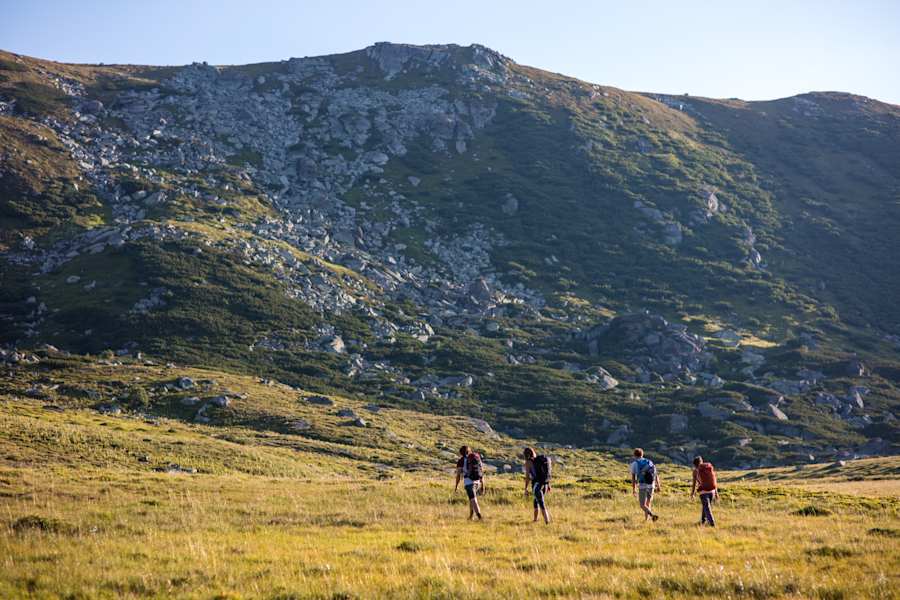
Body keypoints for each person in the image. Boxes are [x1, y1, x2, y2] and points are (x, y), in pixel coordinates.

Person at [629, 448, 660, 521]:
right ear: (642, 454)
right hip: (651, 485)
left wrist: (634, 489)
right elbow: (656, 475)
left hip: (643, 485)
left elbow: (633, 478)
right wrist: (658, 485)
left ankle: (652, 515)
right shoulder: (650, 462)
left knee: (642, 505)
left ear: (634, 455)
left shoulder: (634, 464)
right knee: (648, 503)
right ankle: (646, 520)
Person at [454, 445, 484, 520]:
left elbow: (458, 475)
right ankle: (471, 516)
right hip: (477, 482)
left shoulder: (461, 461)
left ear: (461, 453)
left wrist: (456, 486)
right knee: (471, 499)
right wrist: (483, 485)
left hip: (469, 482)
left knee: (473, 500)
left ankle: (480, 517)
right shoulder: (476, 458)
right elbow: (481, 471)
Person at [522, 447, 551, 524]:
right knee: (536, 502)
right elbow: (545, 473)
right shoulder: (538, 460)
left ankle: (547, 522)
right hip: (544, 484)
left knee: (541, 504)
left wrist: (525, 489)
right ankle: (535, 520)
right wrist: (548, 484)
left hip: (537, 485)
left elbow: (527, 477)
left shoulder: (528, 463)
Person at [691, 455, 718, 527]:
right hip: (712, 490)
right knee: (706, 506)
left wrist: (692, 494)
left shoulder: (695, 471)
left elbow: (694, 484)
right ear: (701, 461)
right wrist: (716, 493)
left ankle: (712, 523)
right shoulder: (708, 468)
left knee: (707, 507)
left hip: (703, 491)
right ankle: (703, 521)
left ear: (694, 464)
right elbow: (713, 480)